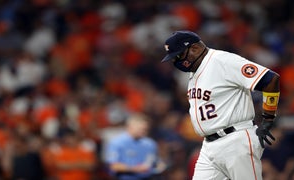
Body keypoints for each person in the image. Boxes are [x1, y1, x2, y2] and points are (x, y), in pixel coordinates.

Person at [161, 30, 280, 180]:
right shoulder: (195, 71)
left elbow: (270, 80)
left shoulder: (222, 61)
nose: (176, 61)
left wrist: (268, 119)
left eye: (178, 56)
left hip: (235, 140)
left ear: (195, 48)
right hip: (209, 146)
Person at [104, 113, 166, 180]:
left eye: (145, 129)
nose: (144, 131)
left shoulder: (150, 144)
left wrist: (160, 166)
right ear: (130, 127)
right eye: (141, 129)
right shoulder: (117, 143)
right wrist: (134, 169)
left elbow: (155, 161)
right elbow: (113, 166)